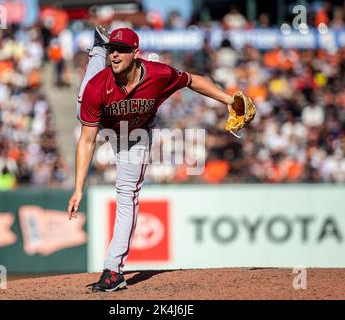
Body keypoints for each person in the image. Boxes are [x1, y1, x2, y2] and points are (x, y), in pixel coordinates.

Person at [67, 26, 234, 292]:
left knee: (127, 193)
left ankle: (113, 271)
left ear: (136, 52)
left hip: (134, 133)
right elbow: (87, 140)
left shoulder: (159, 74)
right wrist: (78, 188)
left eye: (121, 50)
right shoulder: (98, 87)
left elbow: (193, 80)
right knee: (81, 104)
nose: (116, 55)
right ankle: (96, 48)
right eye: (112, 50)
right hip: (105, 123)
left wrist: (227, 99)